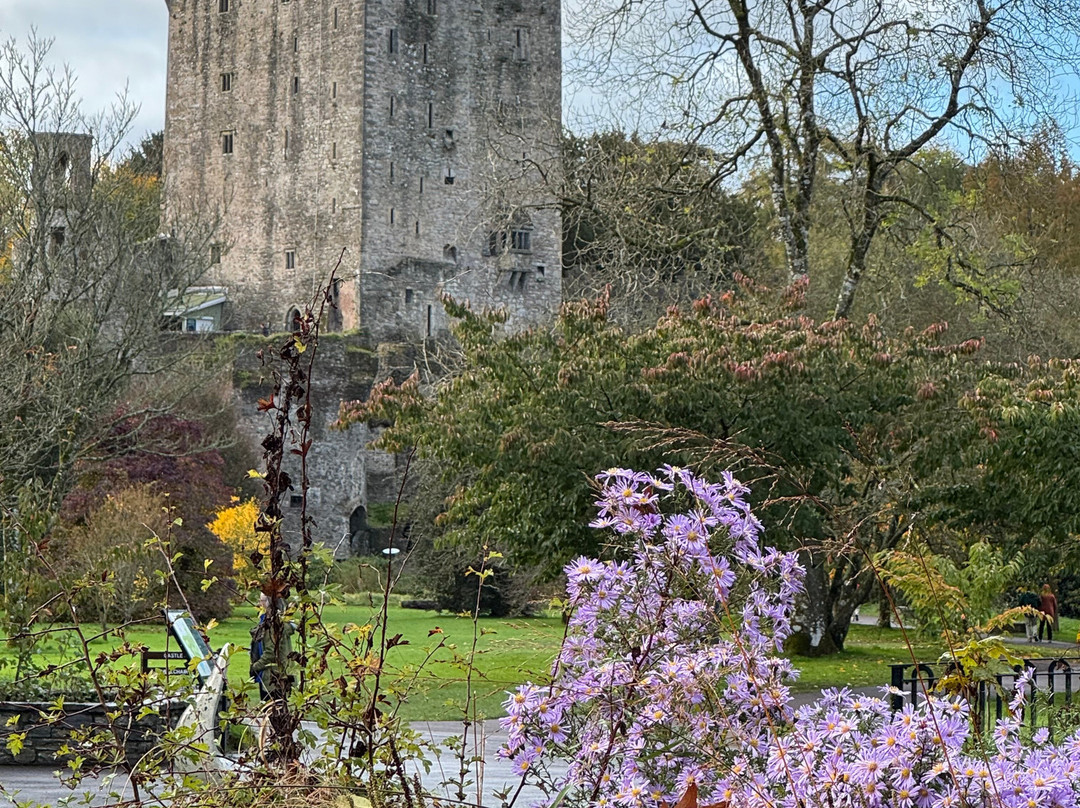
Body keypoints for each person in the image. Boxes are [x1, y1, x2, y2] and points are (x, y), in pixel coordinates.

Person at [250, 592, 295, 701]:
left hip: (273, 677)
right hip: (279, 675)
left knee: (272, 712)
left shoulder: (274, 625)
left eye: (262, 601)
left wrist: (256, 666)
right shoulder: (274, 622)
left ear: (270, 603)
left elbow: (271, 652)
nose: (259, 604)